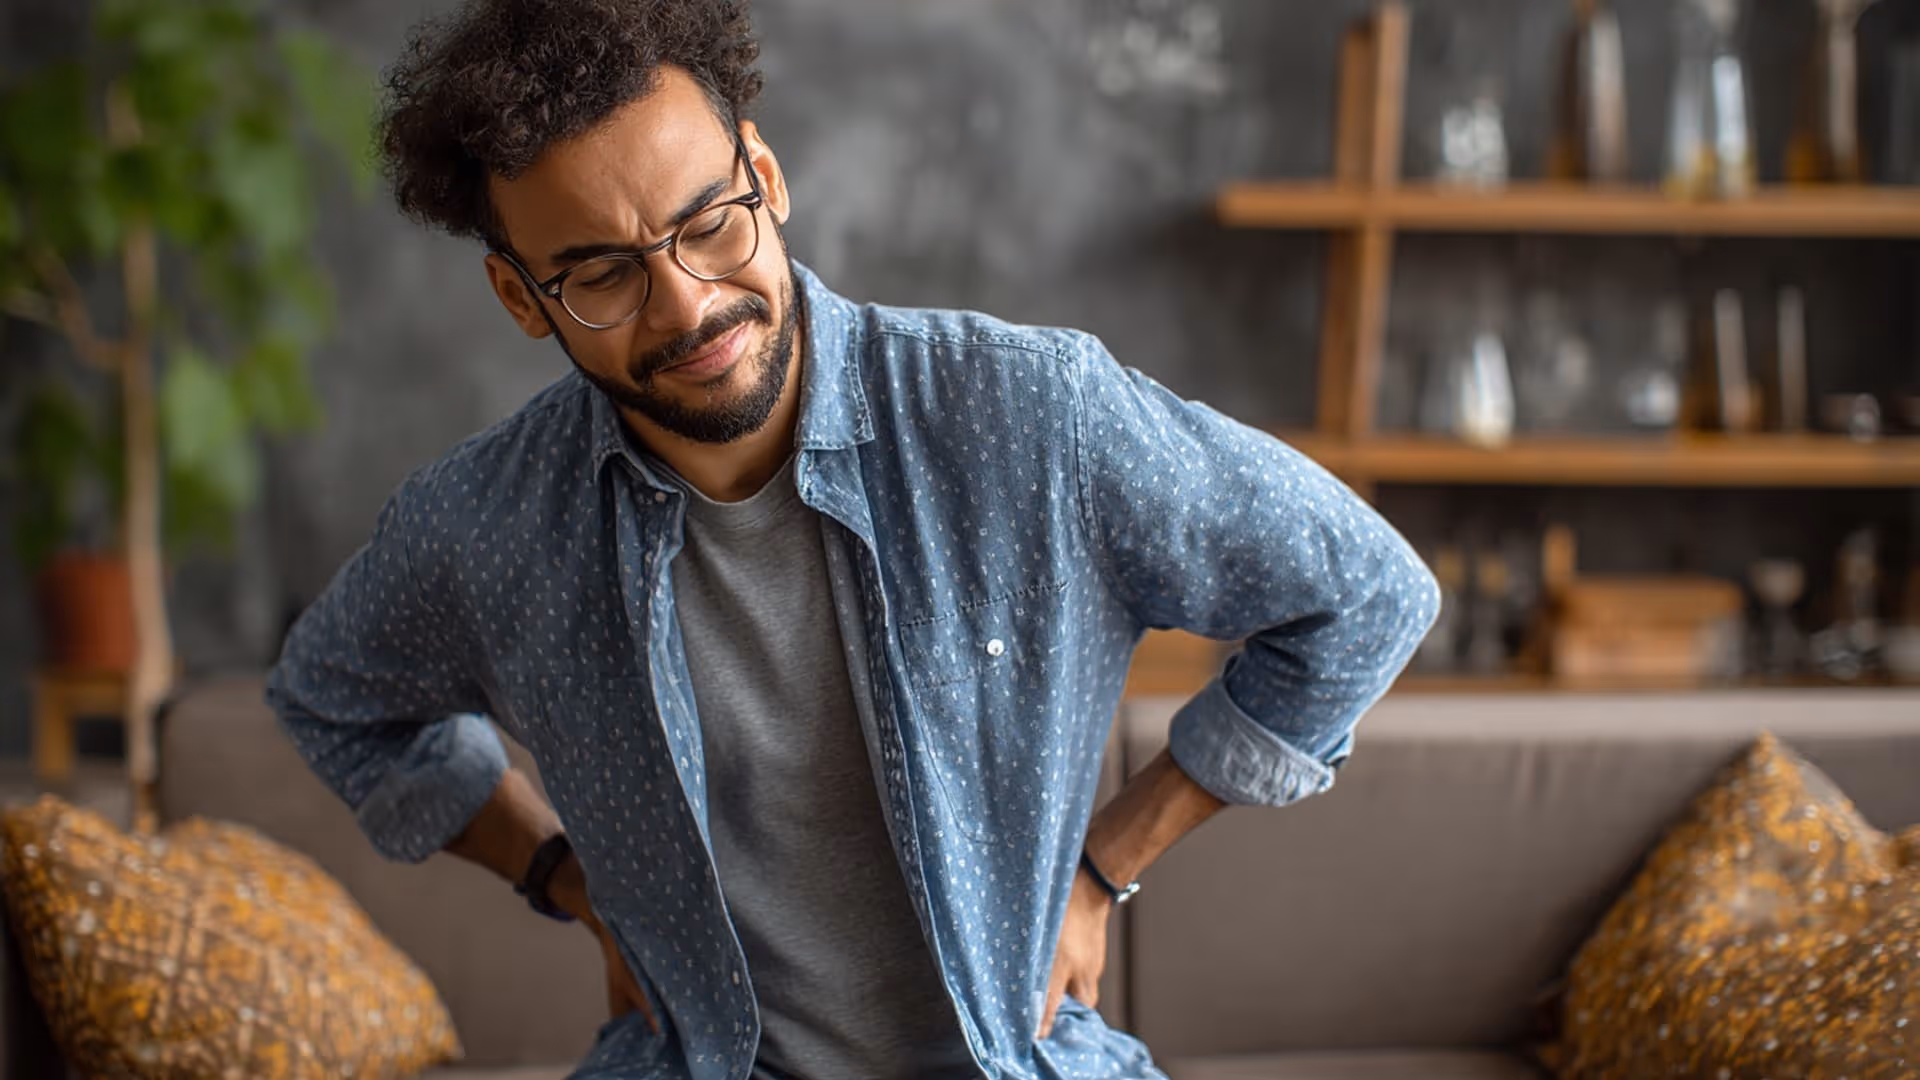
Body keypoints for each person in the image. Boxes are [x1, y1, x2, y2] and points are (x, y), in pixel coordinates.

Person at [265, 1, 1440, 1077]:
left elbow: (1367, 592)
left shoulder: (1034, 418)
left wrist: (1104, 864)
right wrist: (562, 876)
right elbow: (333, 698)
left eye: (709, 225)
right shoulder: (484, 524)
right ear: (523, 300)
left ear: (764, 177)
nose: (686, 305)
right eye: (601, 276)